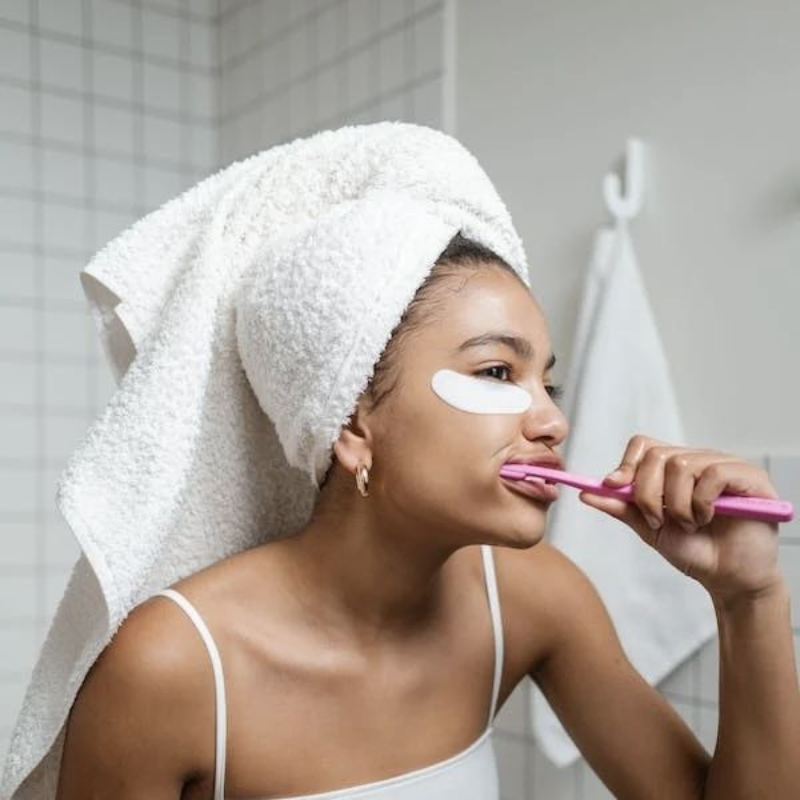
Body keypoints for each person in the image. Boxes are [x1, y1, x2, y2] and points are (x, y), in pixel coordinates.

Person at [54, 233, 799, 799]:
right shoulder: (171, 670)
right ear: (351, 423)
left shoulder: (533, 597)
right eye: (498, 373)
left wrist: (750, 600)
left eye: (549, 381)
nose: (552, 421)